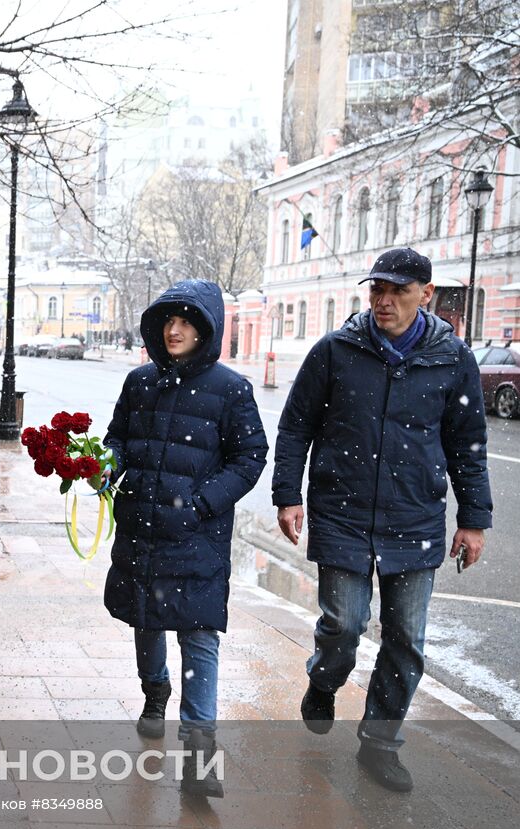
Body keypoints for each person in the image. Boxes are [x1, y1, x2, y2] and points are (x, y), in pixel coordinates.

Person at [273, 247, 491, 793]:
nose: (384, 301)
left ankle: (379, 744)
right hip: (342, 513)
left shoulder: (453, 359)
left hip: (415, 518)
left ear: (426, 295)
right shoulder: (336, 351)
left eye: (397, 291)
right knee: (343, 626)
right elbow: (296, 425)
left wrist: (473, 520)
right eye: (377, 291)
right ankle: (324, 681)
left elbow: (468, 445)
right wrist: (288, 495)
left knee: (405, 640)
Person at [104, 280, 267, 798]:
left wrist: (201, 503)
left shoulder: (231, 389)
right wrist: (103, 465)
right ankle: (155, 692)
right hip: (143, 528)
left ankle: (199, 754)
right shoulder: (138, 382)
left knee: (199, 635)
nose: (174, 330)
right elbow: (118, 440)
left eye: (187, 321)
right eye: (168, 321)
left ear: (205, 329)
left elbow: (250, 458)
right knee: (145, 618)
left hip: (197, 536)